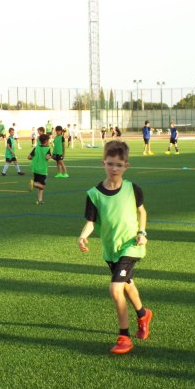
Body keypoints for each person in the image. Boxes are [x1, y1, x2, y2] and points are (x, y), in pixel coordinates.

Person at [78, 140, 152, 354]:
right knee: (127, 285)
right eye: (110, 164)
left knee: (115, 288)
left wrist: (142, 233)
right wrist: (83, 237)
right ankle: (143, 314)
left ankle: (124, 336)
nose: (114, 169)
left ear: (126, 166)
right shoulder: (94, 194)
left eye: (119, 165)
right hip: (111, 249)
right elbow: (91, 222)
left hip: (130, 246)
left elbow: (142, 212)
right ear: (104, 163)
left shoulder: (132, 189)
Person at [28, 133, 52, 204]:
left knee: (40, 187)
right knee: (42, 186)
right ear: (46, 141)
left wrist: (34, 157)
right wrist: (50, 156)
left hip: (35, 169)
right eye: (48, 141)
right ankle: (34, 184)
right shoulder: (47, 149)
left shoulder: (36, 148)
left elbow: (29, 157)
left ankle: (40, 200)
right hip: (42, 170)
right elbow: (47, 157)